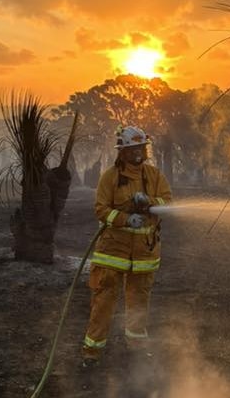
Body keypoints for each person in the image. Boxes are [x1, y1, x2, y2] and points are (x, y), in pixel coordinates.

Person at [81, 125, 172, 368]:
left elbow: (167, 202)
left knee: (139, 304)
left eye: (141, 148)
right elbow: (101, 210)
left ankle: (137, 349)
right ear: (122, 151)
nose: (138, 153)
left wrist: (149, 202)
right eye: (133, 149)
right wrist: (125, 219)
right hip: (112, 252)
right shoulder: (109, 177)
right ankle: (92, 352)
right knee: (103, 301)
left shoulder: (154, 176)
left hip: (145, 253)